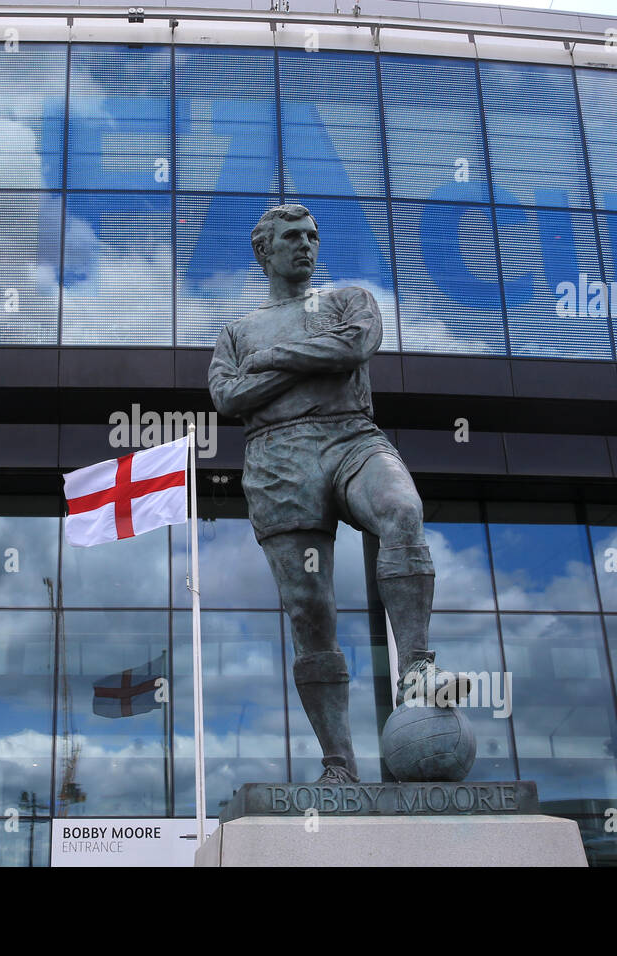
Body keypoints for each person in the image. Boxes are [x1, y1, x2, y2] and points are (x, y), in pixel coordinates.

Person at [208, 203, 469, 785]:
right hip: (278, 458)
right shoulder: (235, 332)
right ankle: (338, 764)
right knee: (310, 612)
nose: (305, 245)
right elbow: (227, 397)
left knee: (402, 511)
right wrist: (307, 363)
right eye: (292, 237)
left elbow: (356, 346)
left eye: (312, 236)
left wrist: (273, 361)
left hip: (351, 434)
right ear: (264, 251)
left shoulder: (349, 299)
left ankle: (417, 668)